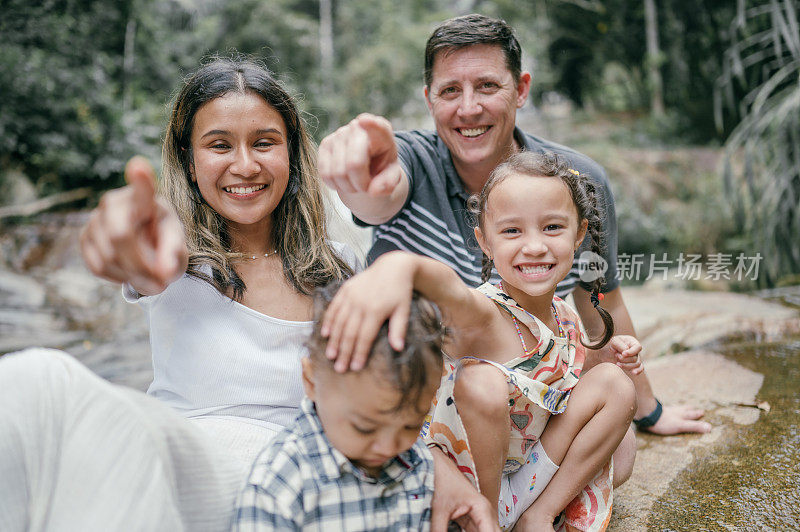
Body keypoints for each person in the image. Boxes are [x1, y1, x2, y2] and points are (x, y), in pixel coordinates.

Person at [0, 57, 495, 532]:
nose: (244, 165)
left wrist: (429, 459)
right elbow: (136, 255)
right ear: (190, 164)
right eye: (219, 145)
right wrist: (117, 241)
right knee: (38, 380)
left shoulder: (341, 267)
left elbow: (408, 375)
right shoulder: (173, 258)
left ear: (291, 154)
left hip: (303, 486)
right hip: (180, 463)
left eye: (264, 142)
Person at [318, 13, 710, 438]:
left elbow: (601, 301)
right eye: (450, 91)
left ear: (521, 89)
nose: (469, 109)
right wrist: (358, 175)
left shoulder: (579, 183)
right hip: (418, 402)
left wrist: (647, 409)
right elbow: (379, 196)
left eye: (487, 86)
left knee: (621, 451)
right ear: (429, 99)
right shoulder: (411, 160)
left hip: (529, 405)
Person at [322, 152, 638, 530]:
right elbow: (448, 290)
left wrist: (611, 359)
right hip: (467, 480)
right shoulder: (485, 313)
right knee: (483, 383)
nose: (534, 246)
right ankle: (483, 521)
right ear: (484, 242)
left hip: (526, 473)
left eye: (552, 227)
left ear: (579, 234)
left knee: (619, 400)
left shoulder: (563, 314)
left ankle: (536, 515)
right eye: (512, 231)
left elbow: (567, 384)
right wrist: (402, 267)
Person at [235, 284, 444, 530]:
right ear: (312, 381)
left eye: (411, 426)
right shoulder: (279, 485)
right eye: (364, 427)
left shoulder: (417, 461)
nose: (389, 446)